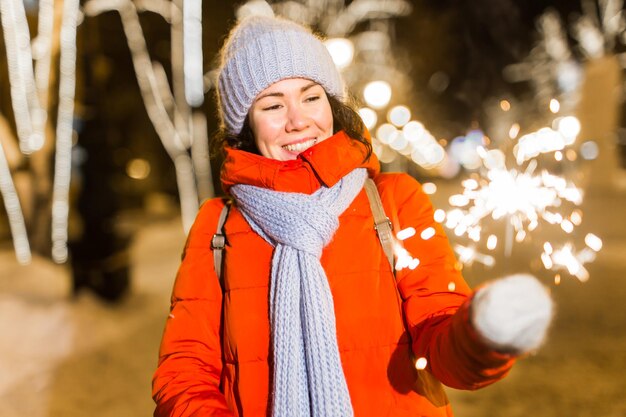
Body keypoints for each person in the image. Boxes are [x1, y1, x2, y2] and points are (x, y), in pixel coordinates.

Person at [152, 14, 553, 417]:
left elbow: (439, 335)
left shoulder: (394, 202)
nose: (298, 120)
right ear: (244, 125)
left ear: (332, 103)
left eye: (311, 97)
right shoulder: (217, 225)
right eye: (273, 105)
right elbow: (184, 371)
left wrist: (483, 332)